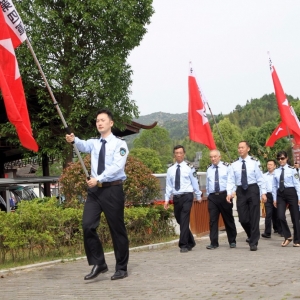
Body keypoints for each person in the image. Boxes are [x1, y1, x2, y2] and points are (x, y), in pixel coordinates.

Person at [65, 109, 129, 280]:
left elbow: (117, 167)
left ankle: (121, 268)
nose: (99, 123)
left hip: (112, 189)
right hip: (95, 191)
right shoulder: (94, 142)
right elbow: (83, 145)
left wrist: (98, 178)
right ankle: (99, 263)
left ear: (111, 123)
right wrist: (73, 140)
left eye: (103, 120)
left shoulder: (119, 144)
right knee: (87, 225)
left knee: (117, 230)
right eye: (97, 121)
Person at [226, 141, 267, 251]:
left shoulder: (254, 162)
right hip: (241, 191)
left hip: (253, 189)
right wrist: (229, 193)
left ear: (248, 149)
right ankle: (251, 234)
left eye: (242, 147)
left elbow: (260, 178)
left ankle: (253, 242)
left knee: (254, 217)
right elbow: (230, 180)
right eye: (239, 147)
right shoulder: (234, 164)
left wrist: (263, 192)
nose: (240, 149)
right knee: (243, 218)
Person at [164, 145, 202, 253]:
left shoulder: (190, 167)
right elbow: (168, 186)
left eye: (181, 153)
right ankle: (191, 241)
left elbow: (195, 182)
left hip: (187, 196)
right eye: (177, 153)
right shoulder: (170, 169)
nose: (179, 155)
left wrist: (198, 195)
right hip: (176, 197)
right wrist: (166, 199)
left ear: (184, 154)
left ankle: (183, 244)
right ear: (174, 155)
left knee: (185, 218)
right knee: (179, 219)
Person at [205, 150, 237, 249]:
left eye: (215, 156)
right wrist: (208, 195)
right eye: (211, 157)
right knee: (213, 220)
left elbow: (231, 181)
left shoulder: (227, 167)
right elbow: (207, 183)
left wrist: (230, 193)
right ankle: (214, 242)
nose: (213, 159)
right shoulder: (209, 169)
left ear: (220, 157)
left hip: (224, 196)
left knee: (228, 219)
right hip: (213, 197)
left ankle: (232, 240)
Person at [272, 151, 300, 247]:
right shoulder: (276, 171)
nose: (280, 160)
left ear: (287, 158)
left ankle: (297, 240)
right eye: (279, 159)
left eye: (282, 158)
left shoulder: (292, 170)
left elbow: (297, 184)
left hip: (291, 192)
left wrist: (299, 197)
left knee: (295, 217)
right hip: (280, 193)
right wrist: (274, 198)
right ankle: (287, 236)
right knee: (280, 216)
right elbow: (274, 186)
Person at [261, 159, 282, 238]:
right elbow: (262, 186)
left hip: (277, 195)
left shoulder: (278, 175)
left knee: (278, 214)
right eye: (268, 164)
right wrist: (263, 194)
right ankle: (267, 232)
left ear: (275, 166)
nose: (269, 166)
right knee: (268, 214)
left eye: (271, 165)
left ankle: (280, 230)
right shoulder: (264, 175)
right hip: (268, 196)